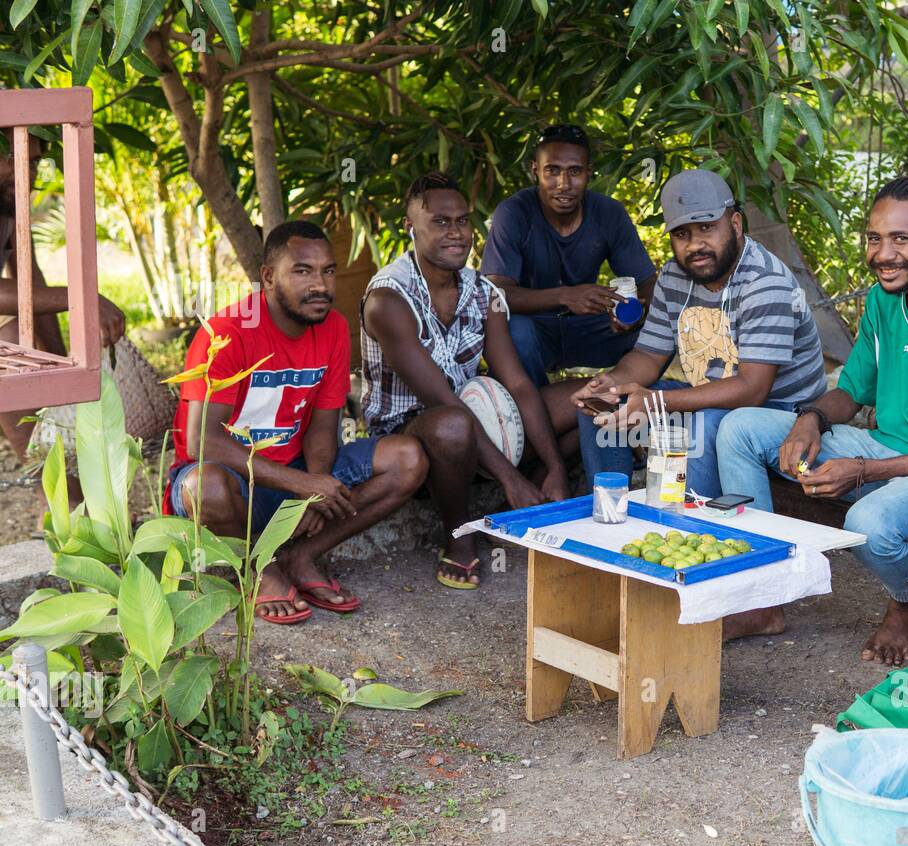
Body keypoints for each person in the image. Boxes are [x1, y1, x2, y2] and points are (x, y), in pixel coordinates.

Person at [716, 175, 908, 656]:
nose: (884, 254)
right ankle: (763, 596)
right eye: (874, 239)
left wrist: (865, 471)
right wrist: (811, 418)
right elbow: (854, 389)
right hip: (883, 451)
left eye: (901, 239)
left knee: (869, 522)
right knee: (739, 429)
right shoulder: (884, 297)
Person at [166, 221, 426, 624]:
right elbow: (204, 443)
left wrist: (316, 489)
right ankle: (261, 570)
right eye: (303, 271)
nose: (320, 285)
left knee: (408, 458)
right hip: (233, 485)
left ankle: (301, 556)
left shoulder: (334, 328)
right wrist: (304, 486)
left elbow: (324, 428)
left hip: (294, 474)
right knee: (206, 487)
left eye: (328, 271)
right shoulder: (227, 333)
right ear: (268, 277)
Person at [360, 171, 573, 590]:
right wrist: (514, 479)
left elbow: (519, 383)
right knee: (452, 424)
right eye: (440, 221)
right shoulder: (388, 299)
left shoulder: (483, 291)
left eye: (462, 220)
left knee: (586, 398)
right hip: (412, 439)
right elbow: (442, 402)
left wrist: (554, 467)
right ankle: (459, 532)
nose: (456, 232)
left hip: (475, 428)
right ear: (410, 226)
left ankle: (524, 496)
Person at [571, 168, 826, 503]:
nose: (695, 245)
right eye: (681, 234)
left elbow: (753, 389)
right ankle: (612, 512)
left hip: (780, 412)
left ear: (735, 224)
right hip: (710, 397)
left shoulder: (765, 282)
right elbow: (648, 356)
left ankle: (690, 529)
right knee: (603, 406)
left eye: (707, 227)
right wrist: (611, 383)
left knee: (702, 427)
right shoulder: (674, 276)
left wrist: (657, 402)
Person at [0, 129, 126, 522]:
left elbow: (29, 281)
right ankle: (57, 498)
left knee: (20, 335)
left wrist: (62, 367)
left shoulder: (11, 202)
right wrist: (82, 298)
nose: (33, 173)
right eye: (21, 160)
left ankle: (67, 498)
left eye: (36, 161)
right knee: (7, 346)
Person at [482, 124, 658, 389]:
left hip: (588, 328)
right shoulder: (514, 213)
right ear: (535, 171)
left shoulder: (609, 213)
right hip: (534, 328)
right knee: (512, 331)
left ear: (588, 173)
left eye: (574, 171)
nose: (563, 184)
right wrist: (565, 296)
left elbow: (648, 283)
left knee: (658, 332)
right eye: (552, 170)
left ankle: (622, 400)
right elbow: (494, 295)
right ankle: (534, 407)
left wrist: (631, 314)